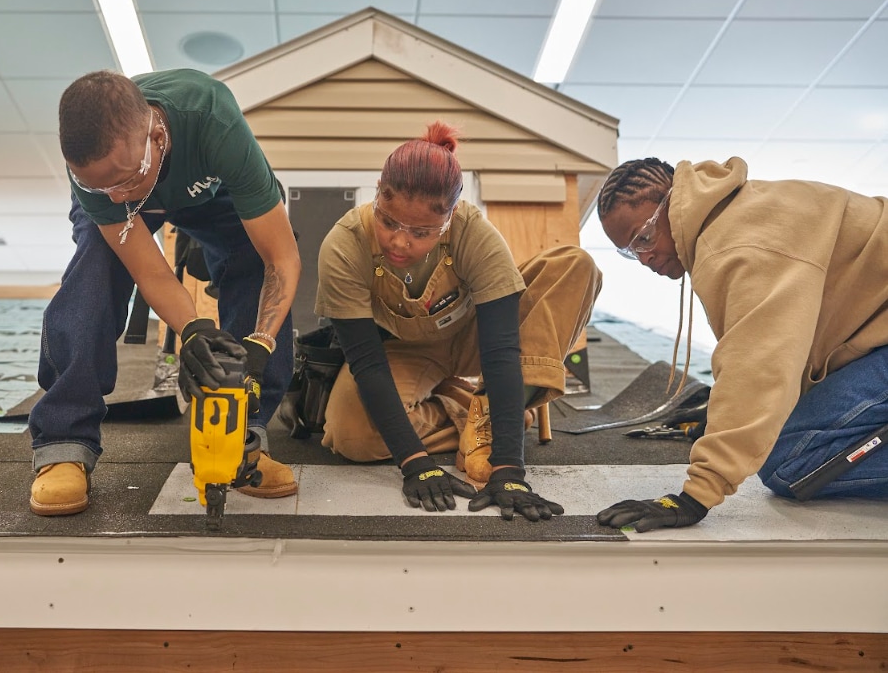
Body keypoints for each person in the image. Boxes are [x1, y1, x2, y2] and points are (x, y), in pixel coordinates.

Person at [27, 69, 300, 516]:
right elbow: (149, 273)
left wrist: (261, 343)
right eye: (100, 187)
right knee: (95, 266)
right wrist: (192, 330)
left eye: (123, 177)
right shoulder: (99, 179)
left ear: (157, 134)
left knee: (253, 256)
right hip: (136, 192)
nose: (115, 197)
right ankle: (63, 442)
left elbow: (282, 259)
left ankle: (243, 438)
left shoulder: (213, 120)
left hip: (212, 192)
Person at [312, 122, 602, 519]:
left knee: (576, 265)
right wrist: (415, 461)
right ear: (379, 191)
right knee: (350, 436)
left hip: (475, 338)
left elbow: (501, 352)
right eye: (389, 221)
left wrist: (509, 470)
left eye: (422, 232)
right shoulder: (344, 245)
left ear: (450, 217)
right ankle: (470, 410)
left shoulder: (475, 234)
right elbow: (366, 362)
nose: (400, 241)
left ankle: (497, 408)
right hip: (401, 350)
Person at [596, 156, 888, 532]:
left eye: (644, 238)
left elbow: (762, 367)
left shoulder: (742, 246)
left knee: (790, 461)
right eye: (630, 250)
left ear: (672, 202)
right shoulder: (735, 217)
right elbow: (782, 347)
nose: (645, 258)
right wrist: (720, 413)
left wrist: (697, 494)